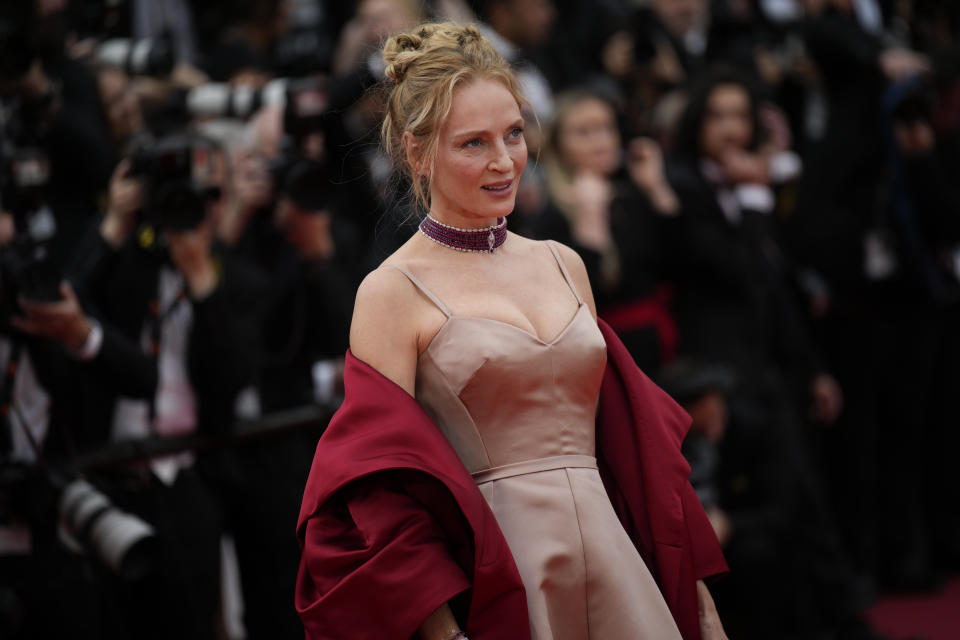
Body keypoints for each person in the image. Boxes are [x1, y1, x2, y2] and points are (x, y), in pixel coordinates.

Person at [296, 22, 728, 640]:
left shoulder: (562, 261)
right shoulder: (389, 292)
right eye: (473, 143)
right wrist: (443, 632)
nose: (504, 161)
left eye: (515, 133)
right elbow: (379, 488)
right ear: (418, 153)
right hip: (502, 578)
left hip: (617, 564)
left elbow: (638, 452)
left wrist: (703, 607)